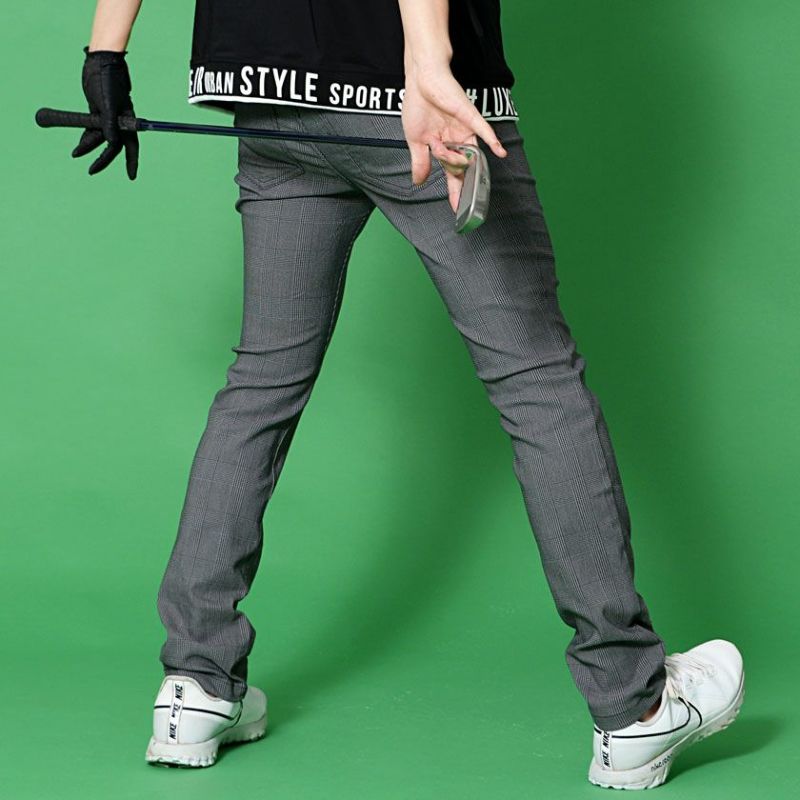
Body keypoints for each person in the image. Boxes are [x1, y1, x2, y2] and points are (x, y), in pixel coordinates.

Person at [73, 0, 744, 787]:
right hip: (405, 91)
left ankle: (196, 684)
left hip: (270, 86)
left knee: (261, 379)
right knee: (536, 381)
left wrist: (105, 52)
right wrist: (428, 59)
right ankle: (633, 706)